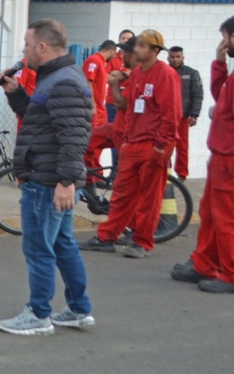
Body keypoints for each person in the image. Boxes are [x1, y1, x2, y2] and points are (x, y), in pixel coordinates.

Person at [0, 19, 94, 336]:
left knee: (38, 248)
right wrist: (16, 93)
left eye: (26, 44)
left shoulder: (63, 81)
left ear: (42, 46)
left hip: (49, 181)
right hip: (51, 177)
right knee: (63, 244)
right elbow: (40, 120)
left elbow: (74, 136)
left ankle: (38, 314)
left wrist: (65, 181)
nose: (23, 50)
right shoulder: (53, 79)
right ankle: (79, 309)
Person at [80, 30, 181, 259]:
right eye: (138, 46)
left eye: (143, 46)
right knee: (122, 195)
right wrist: (125, 140)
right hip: (133, 143)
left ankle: (143, 241)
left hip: (154, 145)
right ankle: (107, 237)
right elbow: (127, 106)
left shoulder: (165, 74)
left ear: (155, 51)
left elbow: (171, 113)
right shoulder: (136, 74)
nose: (137, 49)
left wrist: (160, 146)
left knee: (149, 197)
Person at [172, 17, 234, 294]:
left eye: (226, 38)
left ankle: (230, 273)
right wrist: (219, 64)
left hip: (229, 155)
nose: (223, 44)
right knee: (210, 212)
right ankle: (205, 262)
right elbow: (222, 99)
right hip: (222, 153)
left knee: (226, 216)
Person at [167, 45, 203, 180]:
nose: (175, 59)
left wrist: (194, 114)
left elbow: (197, 95)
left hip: (183, 116)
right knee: (165, 145)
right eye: (172, 57)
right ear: (168, 58)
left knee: (182, 146)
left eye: (178, 57)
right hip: (166, 117)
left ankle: (182, 175)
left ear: (183, 57)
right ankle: (166, 172)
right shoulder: (163, 72)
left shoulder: (192, 73)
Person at [81, 40, 117, 171]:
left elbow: (104, 78)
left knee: (99, 143)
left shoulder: (100, 62)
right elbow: (88, 81)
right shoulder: (94, 61)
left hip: (100, 109)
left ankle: (96, 173)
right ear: (112, 50)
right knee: (93, 143)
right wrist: (92, 106)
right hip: (95, 110)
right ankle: (92, 175)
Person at [105, 29, 135, 122]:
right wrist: (120, 76)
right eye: (123, 38)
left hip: (128, 102)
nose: (125, 40)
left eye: (128, 38)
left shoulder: (135, 58)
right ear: (119, 39)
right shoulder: (112, 57)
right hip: (112, 101)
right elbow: (104, 76)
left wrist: (114, 73)